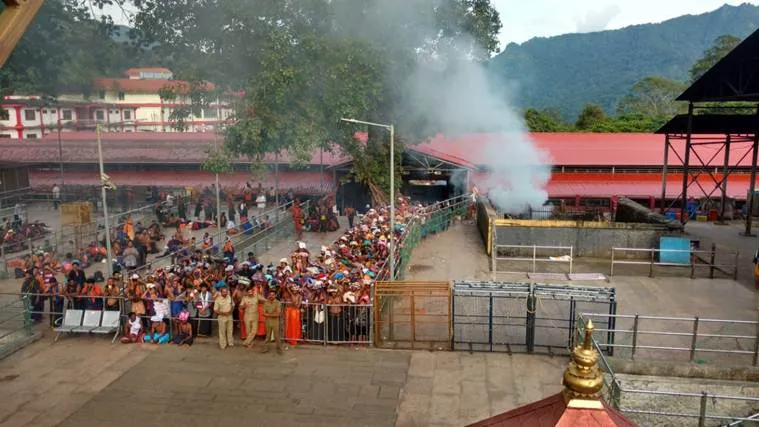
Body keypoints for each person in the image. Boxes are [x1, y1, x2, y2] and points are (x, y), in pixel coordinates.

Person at [240, 283, 264, 348]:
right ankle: (249, 343)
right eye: (249, 292)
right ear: (247, 293)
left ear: (253, 291)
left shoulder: (256, 296)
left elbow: (264, 299)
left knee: (254, 331)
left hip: (255, 315)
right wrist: (245, 305)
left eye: (251, 291)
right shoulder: (244, 298)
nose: (250, 293)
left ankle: (245, 342)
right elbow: (240, 307)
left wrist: (261, 293)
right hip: (247, 315)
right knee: (248, 331)